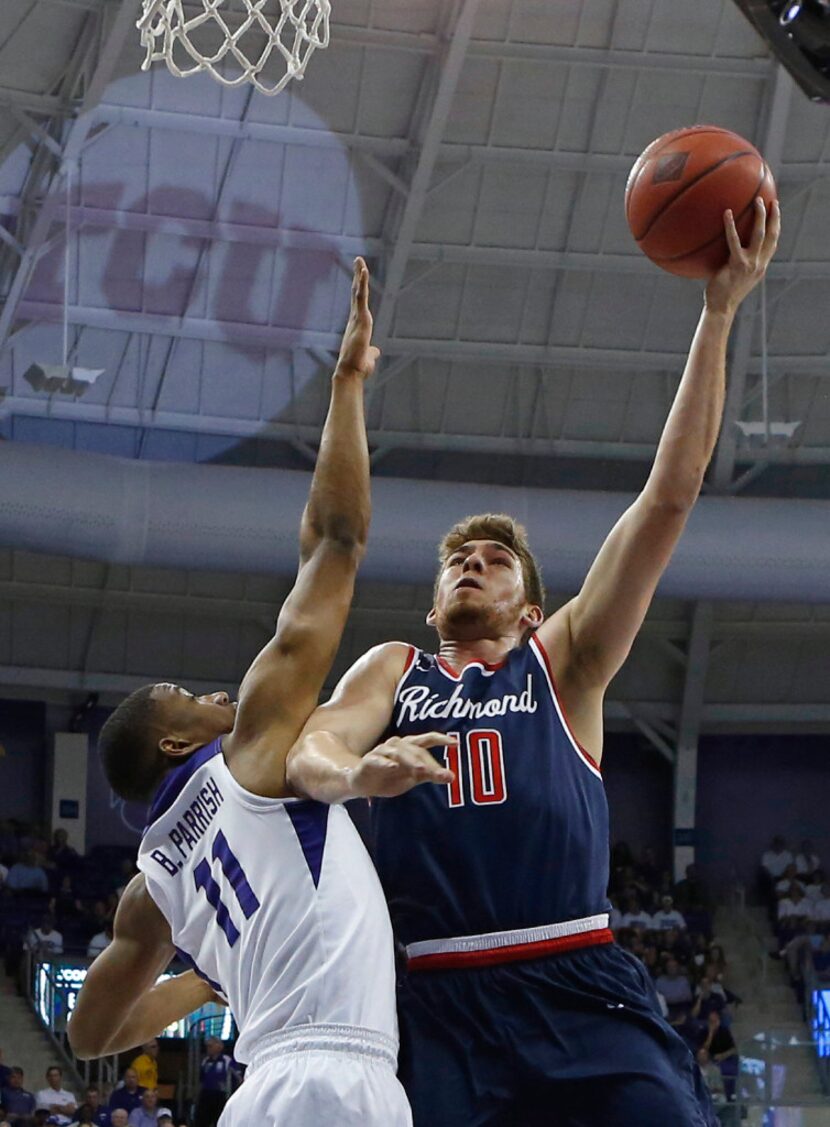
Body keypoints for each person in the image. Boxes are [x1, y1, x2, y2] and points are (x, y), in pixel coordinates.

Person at [287, 201, 781, 1126]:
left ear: (532, 607)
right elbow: (309, 748)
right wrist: (356, 771)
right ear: (436, 604)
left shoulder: (564, 663)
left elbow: (668, 499)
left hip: (579, 979)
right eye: (457, 562)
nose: (473, 564)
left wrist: (717, 315)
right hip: (435, 998)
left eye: (496, 560)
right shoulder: (395, 669)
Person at [67, 260, 411, 1127]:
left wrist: (199, 979)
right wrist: (345, 387)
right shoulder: (254, 749)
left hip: (263, 1090)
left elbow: (90, 1030)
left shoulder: (151, 885)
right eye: (186, 693)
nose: (216, 690)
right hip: (333, 1079)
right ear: (175, 743)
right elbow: (336, 540)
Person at [193, 1038, 236, 1127]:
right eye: (207, 1046)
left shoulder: (227, 1060)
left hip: (221, 1095)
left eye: (210, 1046)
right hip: (206, 1095)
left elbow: (238, 1077)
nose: (208, 1048)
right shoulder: (205, 1061)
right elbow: (201, 1080)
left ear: (219, 1047)